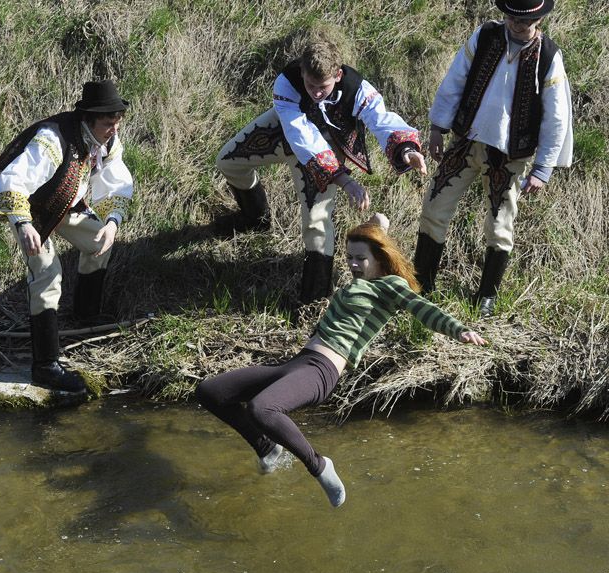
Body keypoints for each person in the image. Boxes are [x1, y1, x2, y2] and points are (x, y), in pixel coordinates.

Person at [195, 215, 487, 508]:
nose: (353, 264)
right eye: (349, 257)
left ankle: (320, 466)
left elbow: (422, 308)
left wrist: (458, 329)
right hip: (299, 363)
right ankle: (266, 448)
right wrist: (378, 226)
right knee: (211, 391)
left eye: (360, 258)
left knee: (263, 408)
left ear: (379, 258)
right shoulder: (361, 282)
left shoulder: (391, 285)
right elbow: (374, 244)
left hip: (322, 371)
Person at [215, 26, 429, 306]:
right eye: (310, 85)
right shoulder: (286, 82)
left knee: (316, 221)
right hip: (287, 132)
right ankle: (255, 219)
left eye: (323, 87)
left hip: (329, 145)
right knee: (228, 161)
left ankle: (314, 299)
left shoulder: (358, 89)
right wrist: (345, 181)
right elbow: (299, 133)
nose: (316, 93)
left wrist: (407, 149)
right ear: (302, 72)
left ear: (337, 75)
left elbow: (382, 120)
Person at [413, 0, 573, 316]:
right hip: (464, 142)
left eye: (523, 20)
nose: (515, 24)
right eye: (511, 17)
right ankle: (422, 283)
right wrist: (437, 126)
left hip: (509, 156)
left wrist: (542, 168)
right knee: (434, 206)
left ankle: (486, 296)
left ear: (539, 18)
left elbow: (557, 117)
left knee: (500, 224)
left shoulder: (549, 57)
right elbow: (455, 78)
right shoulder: (485, 36)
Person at [0, 80, 134, 395]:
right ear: (89, 118)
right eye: (108, 123)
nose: (114, 129)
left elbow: (116, 178)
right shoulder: (52, 140)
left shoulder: (107, 140)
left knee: (100, 242)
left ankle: (85, 314)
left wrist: (112, 221)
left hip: (66, 204)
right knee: (48, 274)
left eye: (117, 122)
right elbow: (15, 179)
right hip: (32, 210)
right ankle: (45, 366)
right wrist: (23, 224)